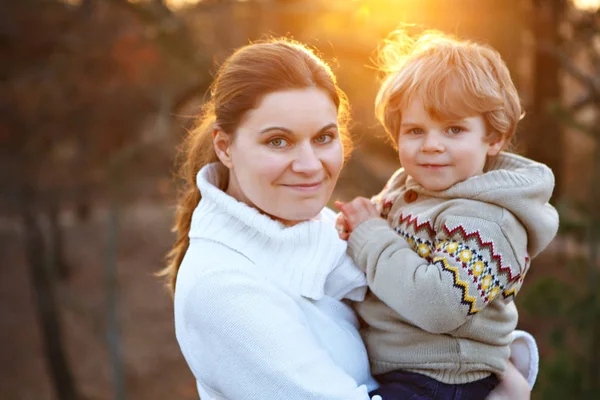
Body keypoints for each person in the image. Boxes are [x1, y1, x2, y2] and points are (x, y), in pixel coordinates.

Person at [160, 37, 536, 399]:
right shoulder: (224, 288)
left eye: (323, 138)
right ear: (225, 147)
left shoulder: (319, 226)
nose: (309, 166)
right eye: (278, 141)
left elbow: (437, 305)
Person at [335, 30, 559, 399]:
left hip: (442, 379)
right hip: (400, 370)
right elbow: (380, 239)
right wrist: (357, 224)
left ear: (493, 138)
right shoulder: (411, 187)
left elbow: (438, 304)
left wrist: (370, 234)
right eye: (415, 130)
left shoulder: (489, 220)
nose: (432, 145)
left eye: (454, 129)